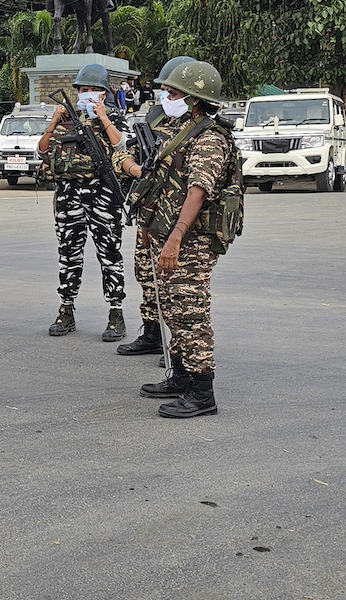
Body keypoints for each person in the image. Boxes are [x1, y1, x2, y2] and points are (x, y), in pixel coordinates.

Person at [117, 61, 235, 418]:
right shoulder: (174, 128)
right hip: (165, 232)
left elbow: (198, 190)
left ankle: (203, 393)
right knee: (170, 307)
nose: (166, 97)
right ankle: (183, 376)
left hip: (192, 239)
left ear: (196, 99)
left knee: (190, 311)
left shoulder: (209, 138)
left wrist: (176, 238)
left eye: (173, 92)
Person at [37, 63, 129, 341]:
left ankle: (116, 313)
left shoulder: (114, 117)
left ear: (104, 94)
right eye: (84, 90)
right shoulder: (66, 118)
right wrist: (54, 121)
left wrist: (104, 118)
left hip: (102, 194)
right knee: (68, 254)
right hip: (69, 194)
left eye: (94, 91)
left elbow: (122, 147)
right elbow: (43, 151)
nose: (88, 94)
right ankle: (66, 309)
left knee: (109, 253)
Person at [115, 56, 195, 358]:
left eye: (171, 91)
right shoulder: (155, 118)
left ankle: (179, 346)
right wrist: (135, 169)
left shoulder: (200, 129)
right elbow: (125, 154)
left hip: (178, 216)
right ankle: (151, 332)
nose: (165, 97)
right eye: (164, 91)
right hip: (150, 211)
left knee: (178, 287)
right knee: (146, 272)